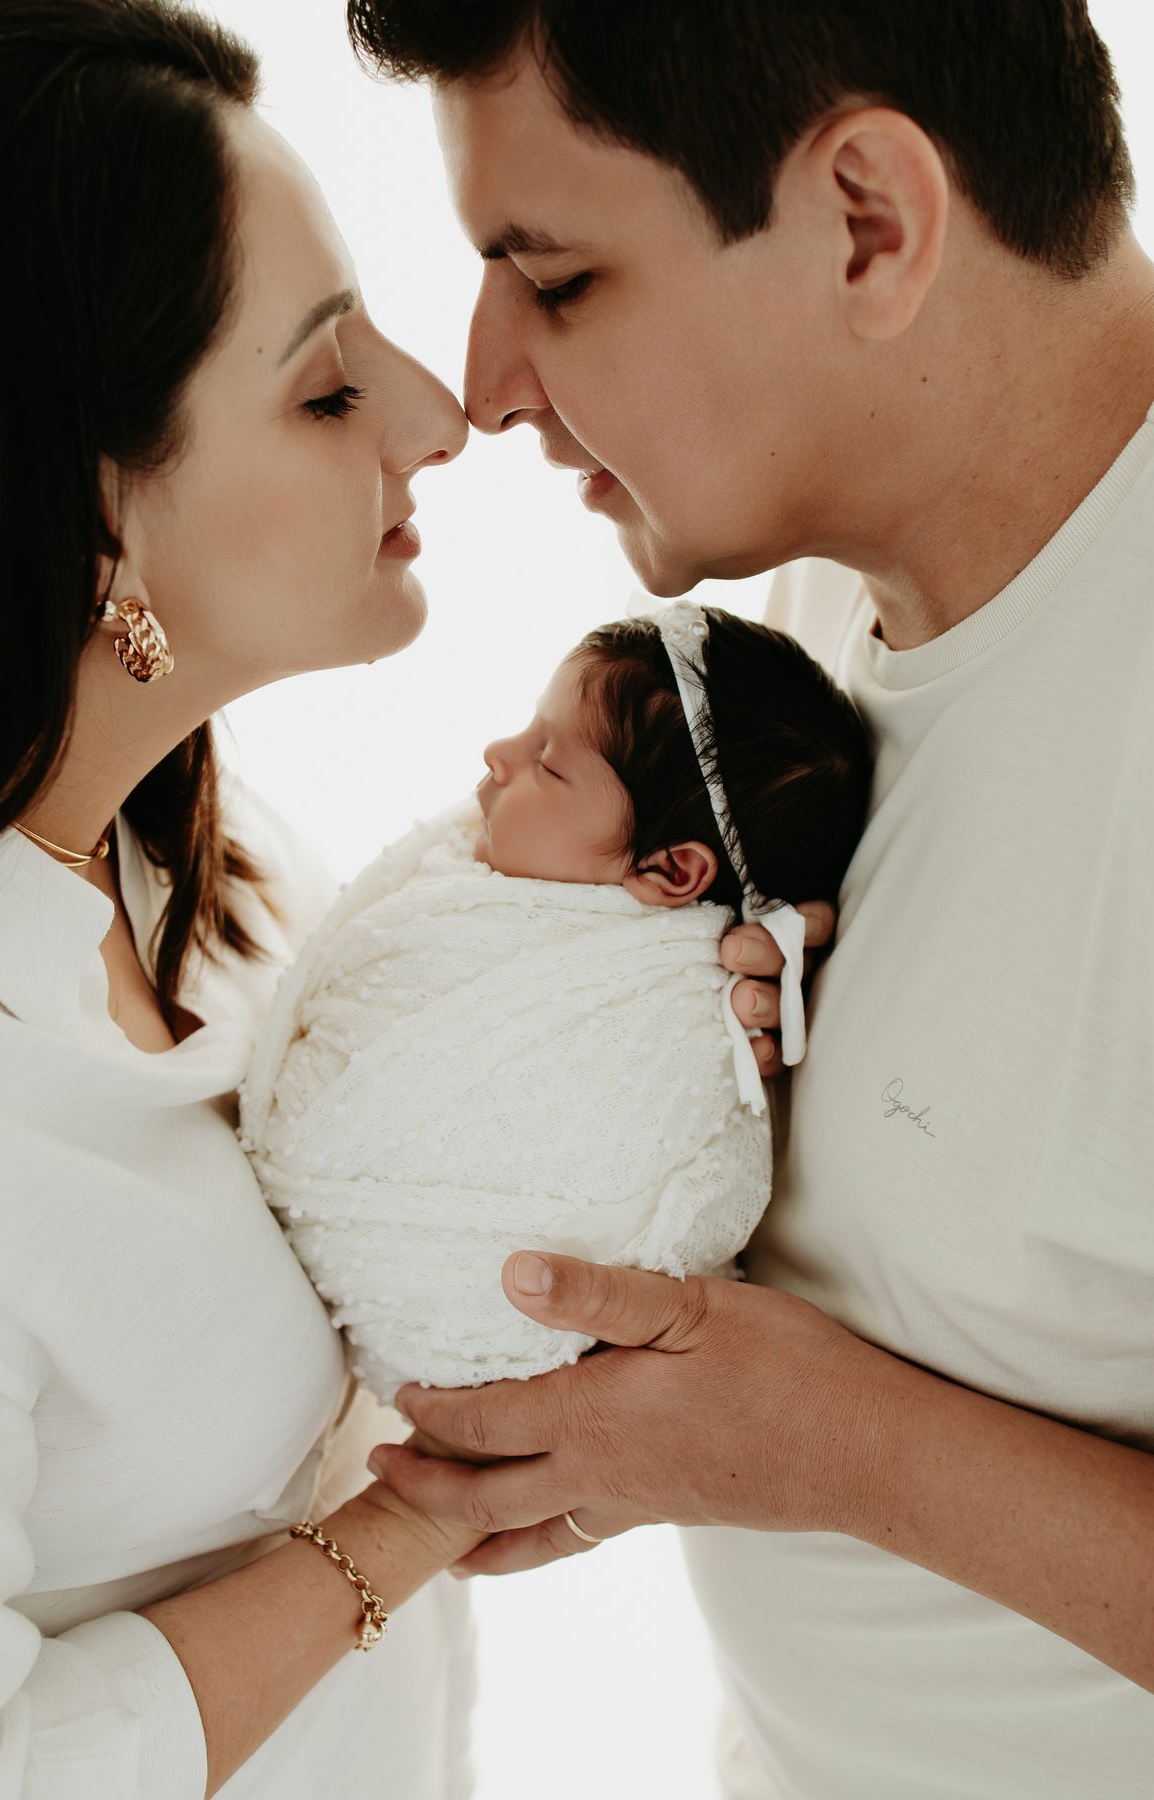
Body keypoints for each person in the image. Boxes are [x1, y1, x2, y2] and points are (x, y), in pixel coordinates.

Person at [345, 2, 1154, 1795]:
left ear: (867, 221)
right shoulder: (802, 602)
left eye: (556, 281)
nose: (483, 386)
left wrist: (828, 1451)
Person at [0, 3, 485, 1796]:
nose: (439, 416)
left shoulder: (206, 856)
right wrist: (406, 1533)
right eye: (328, 389)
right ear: (92, 516)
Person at [240, 604, 870, 1403]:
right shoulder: (472, 884)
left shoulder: (673, 1012)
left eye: (547, 762)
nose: (497, 754)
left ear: (672, 873)